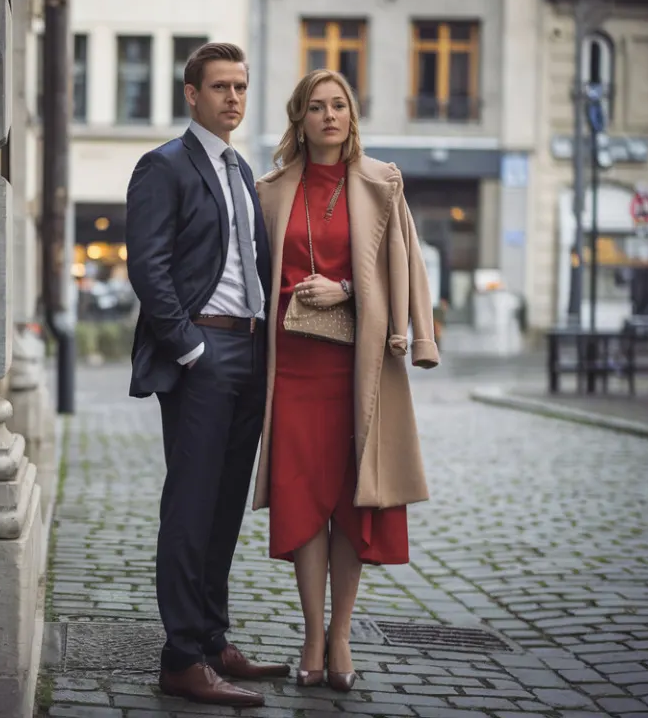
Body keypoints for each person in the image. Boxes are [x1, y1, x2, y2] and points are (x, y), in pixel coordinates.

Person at [248, 69, 439, 692]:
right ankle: (309, 633)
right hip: (294, 365)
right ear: (298, 120)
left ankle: (342, 635)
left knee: (354, 501)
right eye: (316, 107)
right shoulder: (270, 190)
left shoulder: (383, 183)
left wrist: (354, 293)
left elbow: (406, 261)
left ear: (351, 116)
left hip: (359, 364)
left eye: (340, 105)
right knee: (305, 498)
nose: (330, 115)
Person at [125, 42, 289, 708]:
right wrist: (190, 349)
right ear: (191, 94)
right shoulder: (163, 166)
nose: (233, 99)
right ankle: (181, 658)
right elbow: (148, 266)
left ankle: (213, 637)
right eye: (220, 87)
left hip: (249, 355)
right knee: (190, 509)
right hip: (203, 357)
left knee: (223, 510)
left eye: (242, 87)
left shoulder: (241, 169)